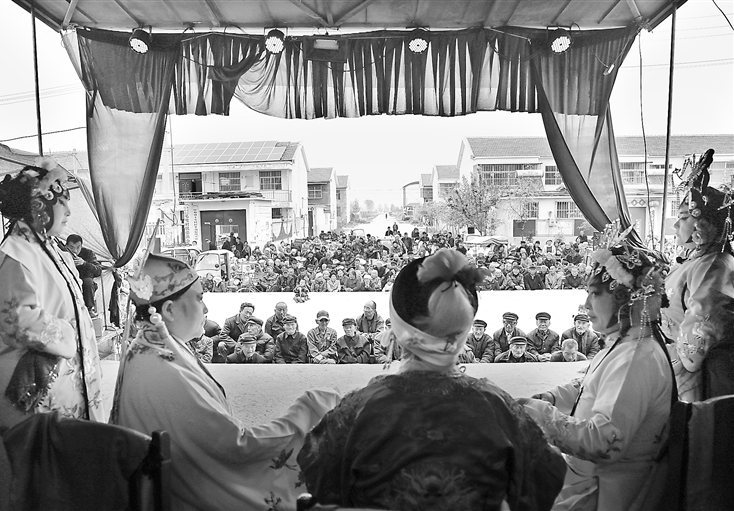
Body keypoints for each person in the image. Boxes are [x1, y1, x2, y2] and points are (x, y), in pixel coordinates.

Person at [298, 249, 566, 509]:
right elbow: (543, 482)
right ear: (463, 332)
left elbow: (319, 482)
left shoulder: (357, 410)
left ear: (397, 331)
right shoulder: (499, 408)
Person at [111, 253, 339, 509]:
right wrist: (308, 412)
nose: (206, 309)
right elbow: (234, 447)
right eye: (199, 298)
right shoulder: (163, 371)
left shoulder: (152, 346)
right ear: (170, 310)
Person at [519, 231, 673, 511]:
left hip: (604, 496)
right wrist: (551, 398)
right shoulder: (625, 344)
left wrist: (538, 414)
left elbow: (603, 443)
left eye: (595, 294)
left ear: (625, 298)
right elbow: (590, 386)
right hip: (587, 483)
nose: (586, 305)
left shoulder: (636, 357)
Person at [0, 161, 106, 510]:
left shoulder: (48, 248)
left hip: (59, 385)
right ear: (40, 206)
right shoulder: (14, 256)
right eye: (62, 201)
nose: (68, 210)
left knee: (64, 478)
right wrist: (72, 333)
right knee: (34, 485)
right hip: (32, 391)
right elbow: (21, 322)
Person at [662, 149, 734, 401]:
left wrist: (663, 357)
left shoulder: (715, 265)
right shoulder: (696, 261)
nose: (675, 225)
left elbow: (702, 327)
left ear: (702, 224)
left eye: (683, 217)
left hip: (698, 374)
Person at [64, 234, 103, 316]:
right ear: (66, 246)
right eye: (71, 247)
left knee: (88, 282)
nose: (75, 251)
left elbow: (99, 271)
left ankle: (89, 309)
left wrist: (84, 263)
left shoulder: (88, 253)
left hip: (85, 282)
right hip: (67, 279)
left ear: (81, 246)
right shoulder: (61, 252)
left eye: (78, 247)